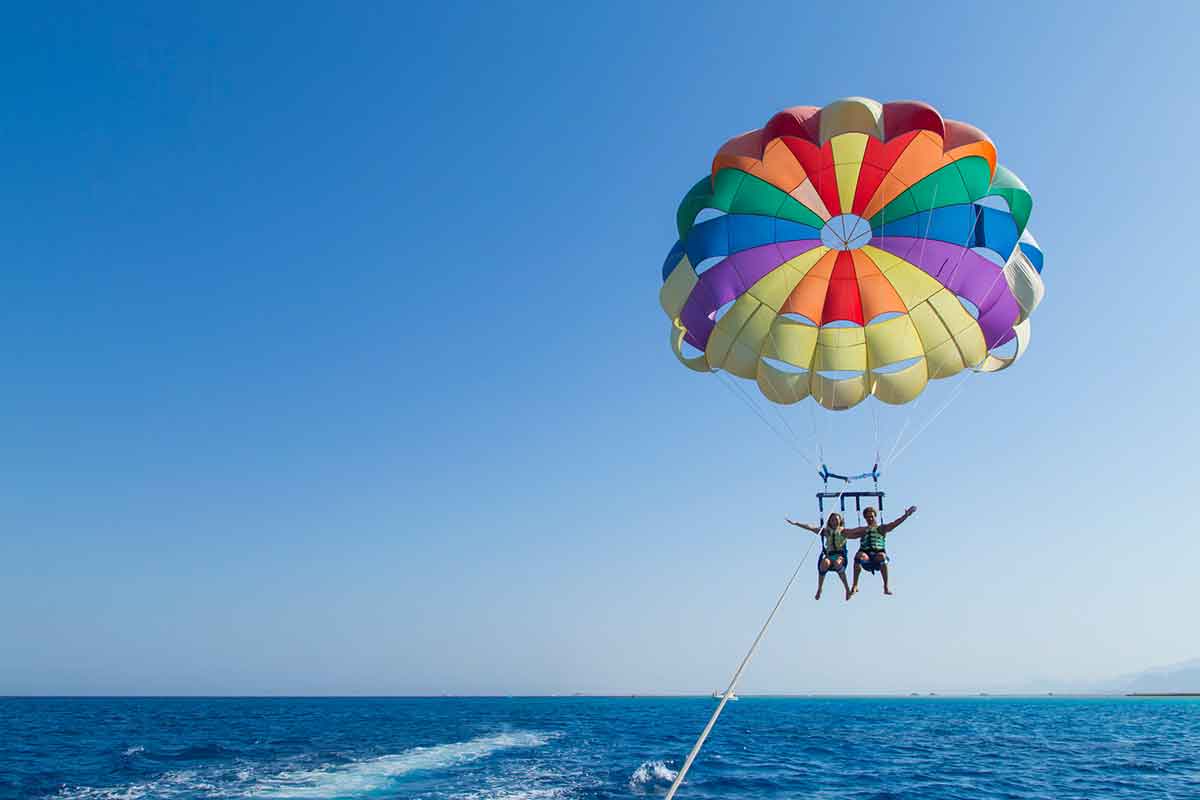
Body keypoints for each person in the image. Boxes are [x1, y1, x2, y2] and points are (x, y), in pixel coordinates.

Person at [845, 505, 917, 596]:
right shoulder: (863, 530)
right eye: (867, 517)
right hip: (866, 559)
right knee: (859, 555)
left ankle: (886, 586)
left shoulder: (881, 529)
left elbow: (894, 523)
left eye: (871, 516)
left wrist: (906, 516)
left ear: (875, 516)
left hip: (877, 559)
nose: (870, 519)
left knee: (882, 556)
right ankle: (855, 585)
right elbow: (848, 533)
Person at [785, 512, 852, 601]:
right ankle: (820, 589)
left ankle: (847, 589)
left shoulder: (844, 531)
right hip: (830, 555)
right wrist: (796, 523)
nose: (834, 521)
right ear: (829, 521)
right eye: (832, 520)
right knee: (824, 563)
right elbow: (810, 527)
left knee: (837, 563)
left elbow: (856, 532)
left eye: (836, 519)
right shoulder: (826, 532)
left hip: (840, 556)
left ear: (840, 521)